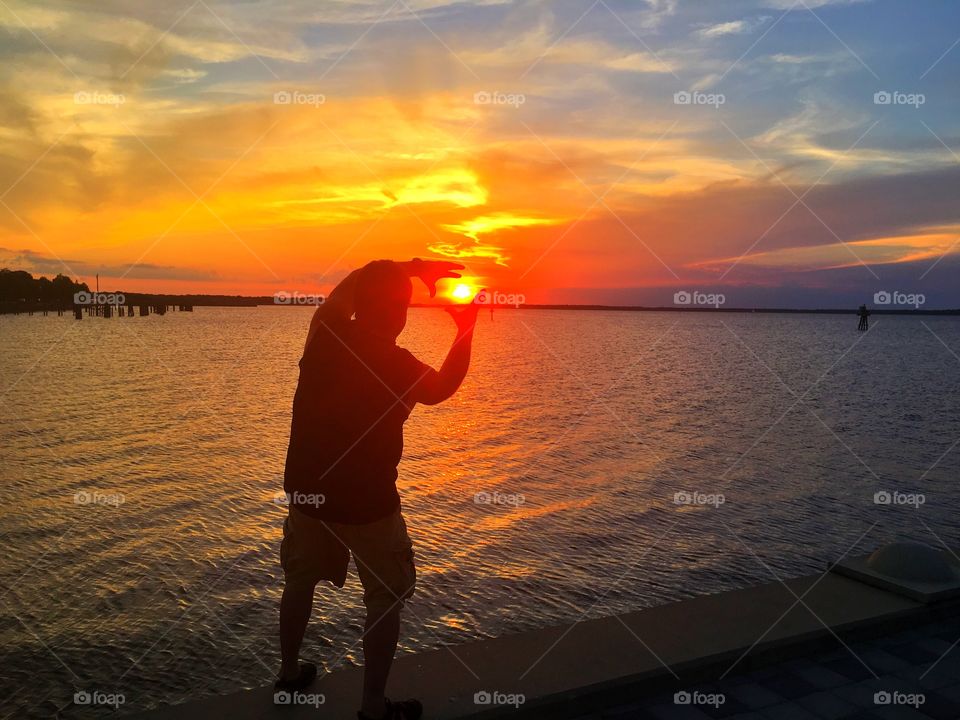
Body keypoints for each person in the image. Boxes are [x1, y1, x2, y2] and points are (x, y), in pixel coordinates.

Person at [277, 258, 478, 720]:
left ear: (360, 303)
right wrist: (465, 328)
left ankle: (288, 672)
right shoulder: (399, 364)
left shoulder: (325, 333)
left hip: (307, 492)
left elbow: (342, 293)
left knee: (299, 579)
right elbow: (444, 387)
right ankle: (372, 707)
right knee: (385, 599)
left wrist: (407, 266)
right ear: (401, 312)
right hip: (368, 503)